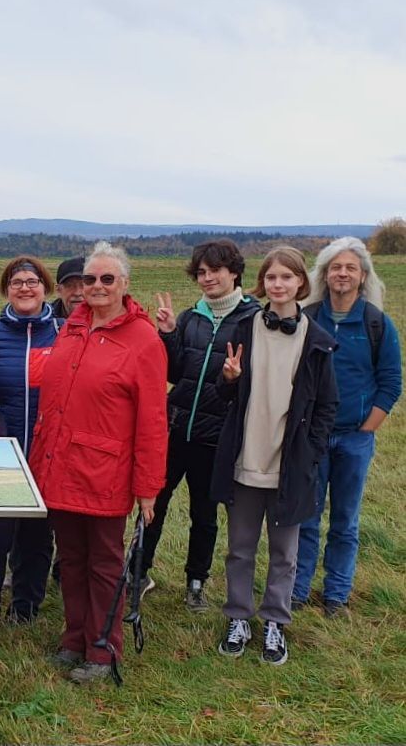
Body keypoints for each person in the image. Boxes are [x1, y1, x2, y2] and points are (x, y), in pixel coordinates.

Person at [29, 241, 167, 684]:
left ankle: (102, 650)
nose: (97, 286)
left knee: (104, 564)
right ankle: (74, 640)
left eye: (108, 279)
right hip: (60, 465)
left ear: (125, 284)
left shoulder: (143, 339)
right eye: (90, 279)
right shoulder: (73, 326)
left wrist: (148, 486)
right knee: (70, 559)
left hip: (106, 472)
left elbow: (152, 419)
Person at [212, 246, 338, 666]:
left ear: (301, 282)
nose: (278, 284)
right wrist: (228, 379)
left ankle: (274, 623)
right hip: (245, 461)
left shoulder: (317, 341)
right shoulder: (245, 329)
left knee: (285, 553)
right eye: (271, 277)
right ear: (262, 283)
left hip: (290, 468)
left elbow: (326, 407)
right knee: (240, 549)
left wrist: (311, 451)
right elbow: (223, 391)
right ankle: (238, 617)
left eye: (286, 277)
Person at [145, 240, 260, 611]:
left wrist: (232, 378)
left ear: (234, 272)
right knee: (153, 504)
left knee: (204, 514)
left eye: (215, 270)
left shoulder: (252, 320)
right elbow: (174, 372)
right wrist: (167, 334)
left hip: (217, 435)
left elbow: (254, 381)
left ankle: (196, 581)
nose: (207, 278)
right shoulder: (192, 317)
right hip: (176, 427)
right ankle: (138, 570)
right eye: (201, 272)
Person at [292, 237, 401, 617]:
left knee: (345, 520)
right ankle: (298, 589)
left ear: (362, 276)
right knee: (306, 516)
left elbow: (391, 382)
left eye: (350, 268)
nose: (342, 273)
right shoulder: (307, 318)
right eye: (335, 267)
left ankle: (336, 594)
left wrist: (366, 429)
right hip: (312, 437)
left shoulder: (376, 324)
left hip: (354, 439)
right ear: (324, 274)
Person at [0, 256, 58, 637]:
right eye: (17, 281)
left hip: (46, 453)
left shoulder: (65, 333)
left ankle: (26, 608)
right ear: (6, 289)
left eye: (32, 281)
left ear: (45, 287)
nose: (25, 287)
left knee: (38, 538)